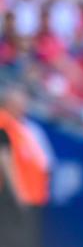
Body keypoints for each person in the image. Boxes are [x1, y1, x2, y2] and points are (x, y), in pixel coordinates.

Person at [0, 86, 53, 247]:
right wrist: (18, 191)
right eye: (20, 102)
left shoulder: (23, 126)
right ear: (9, 103)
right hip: (12, 193)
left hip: (31, 193)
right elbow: (4, 156)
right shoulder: (3, 121)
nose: (24, 106)